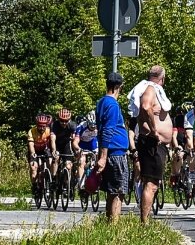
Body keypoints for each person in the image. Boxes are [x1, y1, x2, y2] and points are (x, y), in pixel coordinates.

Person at [128, 65, 174, 223]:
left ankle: (145, 220)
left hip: (155, 143)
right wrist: (154, 130)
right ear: (163, 78)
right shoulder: (150, 89)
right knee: (151, 184)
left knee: (152, 182)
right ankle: (144, 223)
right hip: (151, 141)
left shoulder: (150, 88)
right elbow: (146, 106)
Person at [95, 72, 130, 222]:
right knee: (118, 191)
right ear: (118, 87)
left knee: (112, 191)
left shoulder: (101, 102)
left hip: (109, 152)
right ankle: (114, 225)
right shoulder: (113, 105)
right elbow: (108, 129)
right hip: (115, 153)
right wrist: (103, 156)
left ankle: (109, 223)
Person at [51, 108, 76, 191]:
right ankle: (54, 179)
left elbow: (74, 139)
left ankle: (66, 183)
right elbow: (52, 139)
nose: (64, 123)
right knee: (56, 159)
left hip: (66, 145)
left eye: (66, 121)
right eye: (62, 121)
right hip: (57, 144)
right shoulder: (54, 125)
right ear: (59, 119)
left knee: (68, 165)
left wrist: (75, 151)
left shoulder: (72, 125)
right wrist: (54, 150)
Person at [27, 114, 53, 198]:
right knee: (34, 168)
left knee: (50, 162)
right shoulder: (32, 131)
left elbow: (52, 142)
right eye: (40, 126)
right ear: (36, 125)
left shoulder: (49, 131)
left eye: (43, 126)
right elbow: (31, 144)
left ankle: (49, 181)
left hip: (45, 150)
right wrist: (33, 153)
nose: (42, 128)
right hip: (35, 150)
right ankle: (34, 186)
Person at [73, 110, 98, 189]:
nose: (93, 127)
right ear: (87, 122)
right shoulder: (81, 126)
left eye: (95, 125)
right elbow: (75, 141)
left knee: (98, 159)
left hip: (92, 143)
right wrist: (78, 149)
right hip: (82, 144)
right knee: (82, 160)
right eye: (91, 125)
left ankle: (95, 180)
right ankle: (81, 183)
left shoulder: (99, 127)